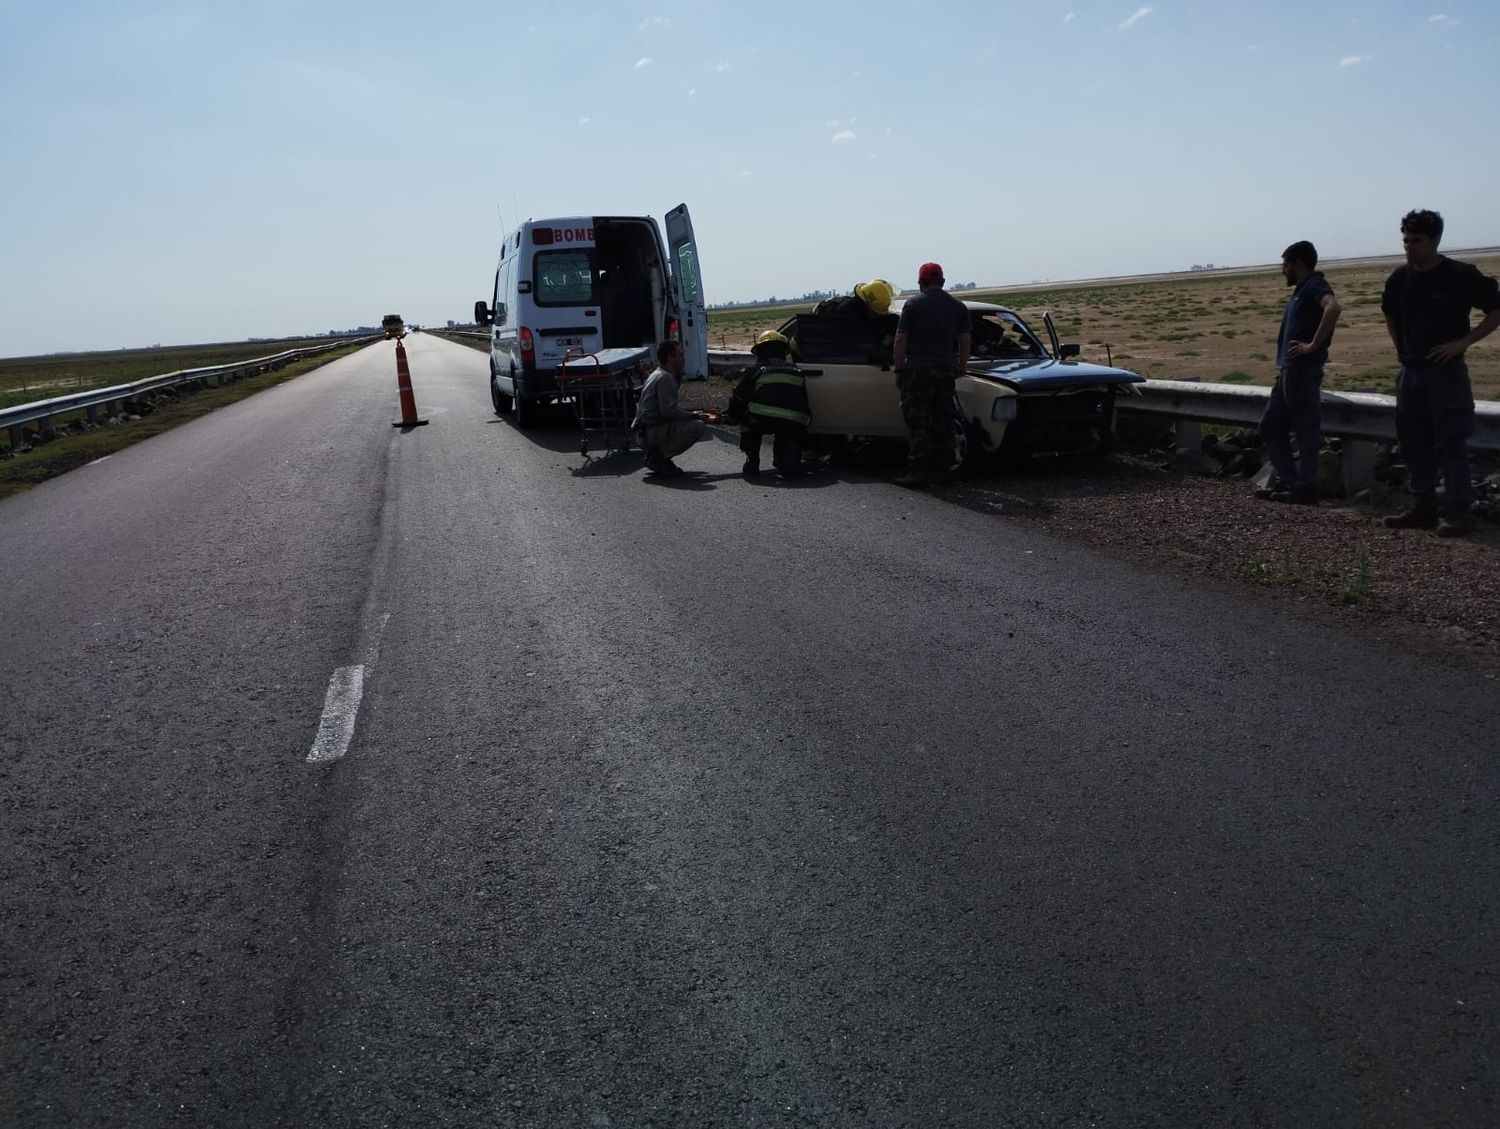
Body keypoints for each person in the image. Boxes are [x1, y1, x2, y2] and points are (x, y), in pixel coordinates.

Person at [1380, 209, 1500, 536]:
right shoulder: (1399, 279)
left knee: (1451, 441)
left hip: (1446, 374)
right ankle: (1423, 507)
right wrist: (1400, 348)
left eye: (1416, 241)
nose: (1409, 247)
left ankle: (1457, 512)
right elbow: (1389, 312)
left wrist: (1463, 343)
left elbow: (1496, 309)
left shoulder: (1460, 275)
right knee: (1412, 440)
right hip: (1411, 373)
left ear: (1435, 240)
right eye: (1406, 240)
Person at [1255, 240, 1342, 505]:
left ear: (1298, 263)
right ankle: (1290, 482)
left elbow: (1334, 308)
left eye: (1285, 264)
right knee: (1271, 426)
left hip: (1302, 370)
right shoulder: (1302, 290)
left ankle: (1303, 487)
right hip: (1289, 371)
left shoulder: (1315, 285)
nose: (1283, 270)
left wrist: (1312, 345)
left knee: (1305, 430)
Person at [891, 262, 970, 488]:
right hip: (945, 370)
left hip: (917, 371)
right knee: (944, 418)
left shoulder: (913, 305)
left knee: (918, 421)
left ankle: (917, 471)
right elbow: (965, 339)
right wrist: (961, 366)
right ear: (942, 282)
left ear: (921, 283)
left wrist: (899, 368)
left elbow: (900, 339)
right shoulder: (958, 306)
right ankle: (943, 470)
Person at [727, 330, 812, 478]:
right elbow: (804, 401)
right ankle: (786, 459)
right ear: (784, 351)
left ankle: (752, 462)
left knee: (747, 422)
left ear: (759, 351)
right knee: (789, 429)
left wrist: (733, 416)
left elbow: (739, 397)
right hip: (794, 421)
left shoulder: (756, 370)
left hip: (761, 419)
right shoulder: (797, 371)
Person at [632, 339, 708, 478]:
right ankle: (658, 458)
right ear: (670, 358)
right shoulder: (665, 378)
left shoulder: (659, 374)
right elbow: (669, 411)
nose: (683, 359)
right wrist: (694, 416)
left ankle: (659, 457)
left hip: (645, 429)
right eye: (680, 355)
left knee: (685, 422)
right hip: (648, 432)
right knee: (696, 427)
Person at [815, 278, 899, 358]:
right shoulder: (849, 316)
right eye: (876, 312)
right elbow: (861, 346)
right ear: (868, 306)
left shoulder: (853, 308)